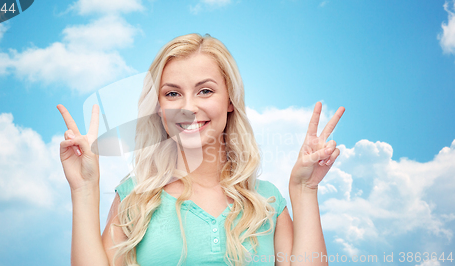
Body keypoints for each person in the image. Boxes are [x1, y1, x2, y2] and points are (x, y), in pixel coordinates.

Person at [57, 33, 345, 266]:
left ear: (230, 99)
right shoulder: (135, 199)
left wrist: (305, 189)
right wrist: (83, 188)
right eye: (172, 94)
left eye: (205, 91)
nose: (188, 108)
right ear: (159, 108)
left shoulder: (267, 202)